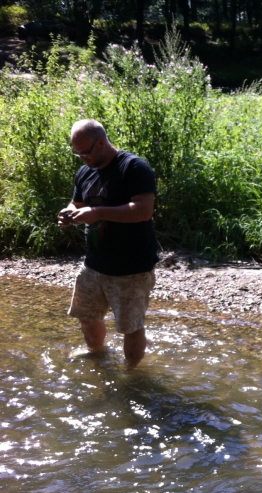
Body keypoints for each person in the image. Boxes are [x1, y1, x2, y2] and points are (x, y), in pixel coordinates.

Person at [57, 119, 159, 369]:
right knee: (86, 316)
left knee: (130, 327)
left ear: (100, 142)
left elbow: (143, 211)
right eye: (77, 152)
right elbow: (77, 204)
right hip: (94, 264)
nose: (82, 157)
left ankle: (132, 374)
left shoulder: (134, 167)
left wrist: (98, 213)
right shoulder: (85, 171)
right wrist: (68, 212)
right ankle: (97, 354)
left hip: (131, 266)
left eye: (85, 151)